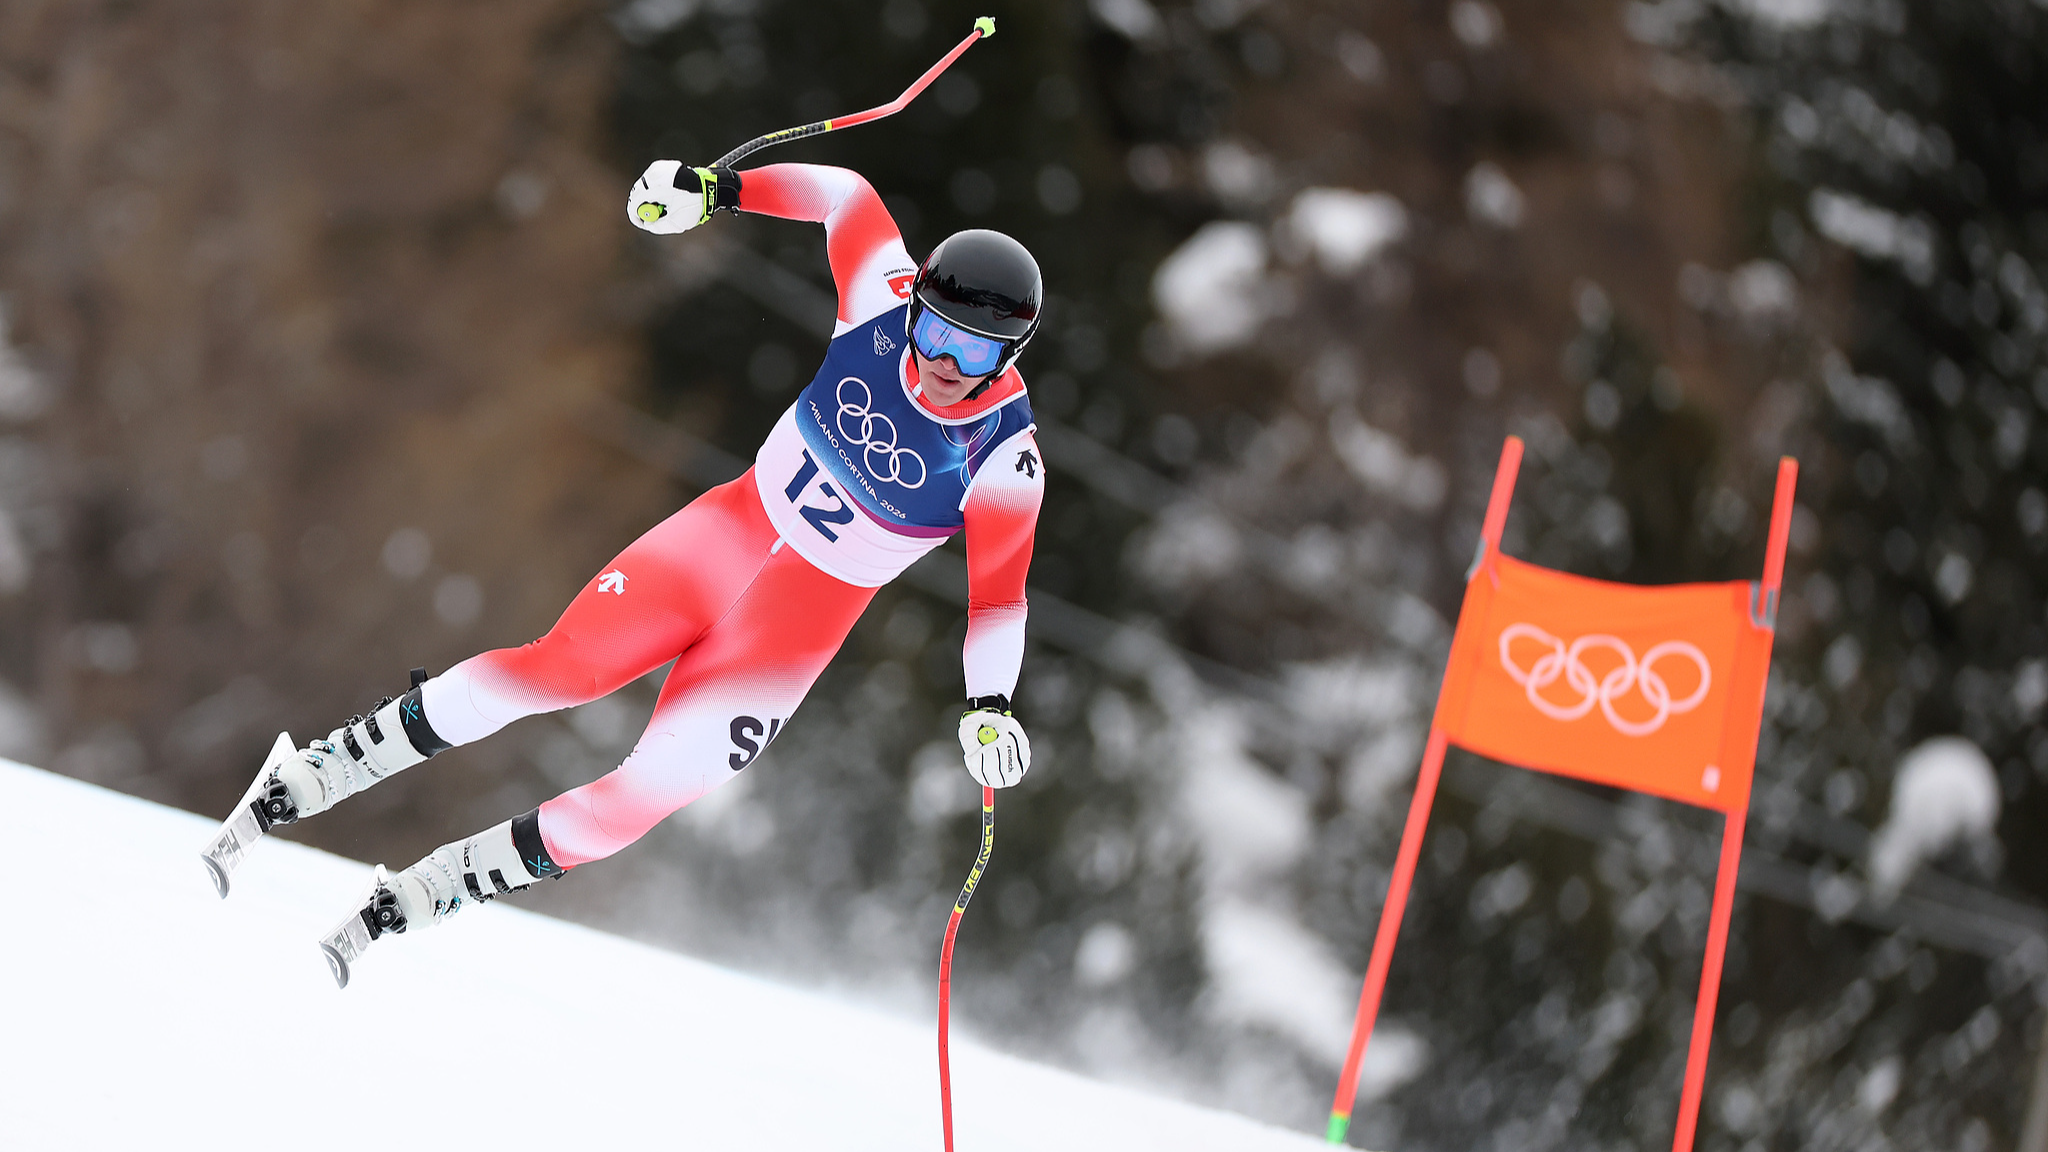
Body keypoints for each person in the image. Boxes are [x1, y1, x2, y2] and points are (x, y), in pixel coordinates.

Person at [201, 160, 1046, 987]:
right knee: (558, 670)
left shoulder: (1006, 460)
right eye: (935, 331)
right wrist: (716, 189)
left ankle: (432, 889)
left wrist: (989, 708)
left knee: (644, 796)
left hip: (794, 625)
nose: (945, 362)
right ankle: (324, 768)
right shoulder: (879, 297)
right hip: (724, 537)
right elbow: (846, 195)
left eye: (977, 352)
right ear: (913, 307)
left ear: (1011, 355)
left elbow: (998, 602)